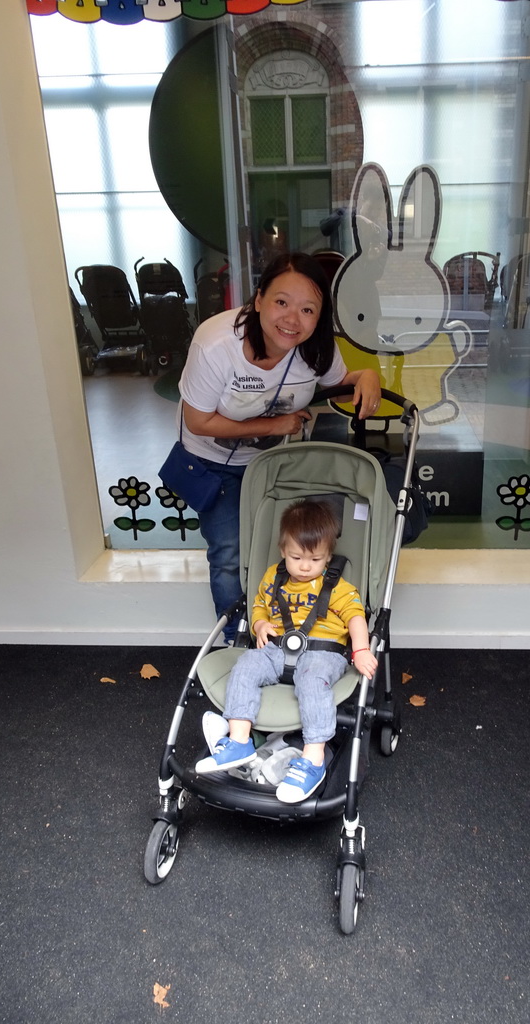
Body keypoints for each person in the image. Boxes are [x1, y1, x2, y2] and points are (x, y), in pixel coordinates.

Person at [175, 252, 381, 640]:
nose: (292, 319)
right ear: (258, 300)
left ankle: (288, 633)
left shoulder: (315, 347)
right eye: (281, 302)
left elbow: (338, 379)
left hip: (273, 463)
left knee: (282, 548)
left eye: (307, 309)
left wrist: (367, 375)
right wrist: (276, 424)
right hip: (212, 461)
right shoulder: (216, 344)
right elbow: (198, 422)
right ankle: (238, 638)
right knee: (229, 552)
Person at [195, 499, 378, 804]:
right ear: (283, 551)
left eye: (316, 560)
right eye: (296, 557)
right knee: (246, 666)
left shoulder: (338, 587)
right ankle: (239, 740)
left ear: (328, 557)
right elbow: (258, 606)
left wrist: (360, 650)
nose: (305, 566)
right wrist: (261, 624)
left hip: (323, 654)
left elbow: (356, 617)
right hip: (276, 649)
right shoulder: (273, 577)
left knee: (312, 683)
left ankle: (313, 758)